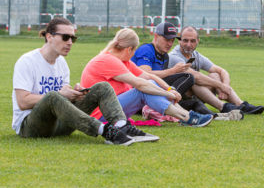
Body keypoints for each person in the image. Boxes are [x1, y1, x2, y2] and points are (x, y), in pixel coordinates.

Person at [11, 17, 157, 146]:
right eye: (65, 37)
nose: (70, 42)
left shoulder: (61, 63)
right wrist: (59, 94)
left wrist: (74, 93)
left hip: (59, 124)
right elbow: (23, 102)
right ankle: (105, 131)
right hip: (30, 127)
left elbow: (62, 96)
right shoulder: (27, 61)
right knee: (53, 96)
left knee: (102, 87)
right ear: (49, 37)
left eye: (72, 39)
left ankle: (121, 126)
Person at [80, 28, 213, 127]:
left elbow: (149, 77)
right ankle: (187, 117)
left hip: (111, 110)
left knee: (149, 85)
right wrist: (168, 94)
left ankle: (186, 116)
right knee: (143, 90)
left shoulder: (123, 61)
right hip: (100, 115)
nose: (133, 55)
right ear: (128, 49)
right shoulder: (108, 60)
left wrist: (168, 89)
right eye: (134, 51)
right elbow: (140, 84)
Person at [131, 22, 243, 121]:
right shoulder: (146, 49)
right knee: (189, 77)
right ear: (156, 36)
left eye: (172, 40)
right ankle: (160, 105)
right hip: (141, 97)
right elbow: (144, 75)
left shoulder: (164, 55)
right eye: (166, 39)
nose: (169, 44)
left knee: (194, 103)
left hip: (155, 94)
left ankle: (217, 116)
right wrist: (173, 71)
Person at [168, 26, 264, 115]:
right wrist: (220, 86)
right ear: (179, 41)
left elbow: (222, 71)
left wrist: (225, 87)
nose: (189, 44)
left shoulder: (195, 55)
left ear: (198, 41)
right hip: (179, 100)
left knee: (215, 75)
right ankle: (223, 107)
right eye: (185, 40)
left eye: (192, 41)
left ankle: (241, 104)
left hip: (196, 96)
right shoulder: (174, 56)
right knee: (194, 80)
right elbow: (196, 76)